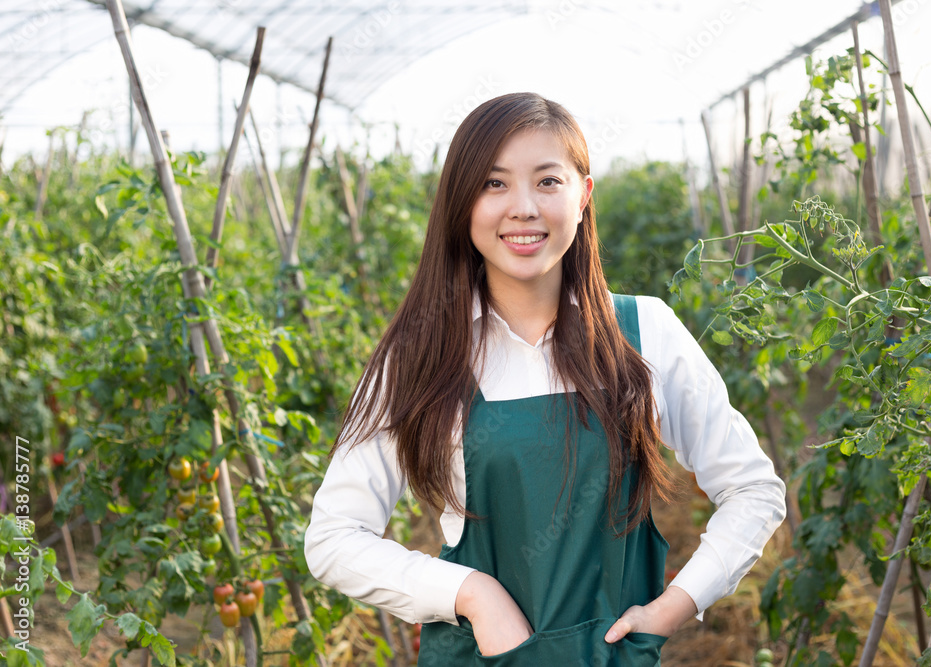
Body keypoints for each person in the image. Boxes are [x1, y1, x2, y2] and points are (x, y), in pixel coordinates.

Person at [304, 92, 786, 665]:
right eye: (494, 183)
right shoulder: (423, 352)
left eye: (548, 181)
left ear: (583, 195)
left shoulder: (643, 330)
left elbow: (753, 488)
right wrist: (473, 595)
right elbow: (333, 538)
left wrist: (676, 605)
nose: (523, 207)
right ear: (462, 205)